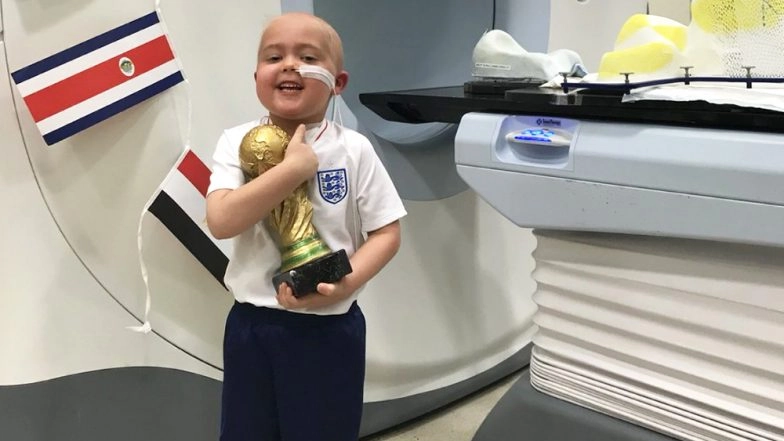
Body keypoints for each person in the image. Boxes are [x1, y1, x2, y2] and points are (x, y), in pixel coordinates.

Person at [205, 11, 407, 441]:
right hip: (252, 325)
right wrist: (291, 170)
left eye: (308, 56)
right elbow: (222, 221)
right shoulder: (236, 143)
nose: (290, 65)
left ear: (338, 82)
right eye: (274, 56)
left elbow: (387, 233)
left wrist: (349, 282)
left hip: (329, 329)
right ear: (257, 75)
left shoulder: (353, 150)